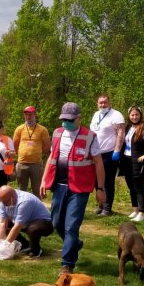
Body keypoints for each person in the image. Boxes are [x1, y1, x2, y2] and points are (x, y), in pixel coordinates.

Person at [40, 102, 106, 275]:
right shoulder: (57, 133)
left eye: (69, 120)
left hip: (79, 188)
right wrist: (43, 181)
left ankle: (67, 264)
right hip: (59, 185)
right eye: (63, 119)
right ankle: (75, 244)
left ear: (79, 119)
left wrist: (100, 189)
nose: (65, 123)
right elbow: (51, 158)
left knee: (71, 226)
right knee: (56, 223)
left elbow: (98, 162)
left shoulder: (90, 136)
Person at [117, 106, 144, 222]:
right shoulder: (128, 127)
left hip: (138, 162)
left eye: (137, 115)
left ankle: (141, 213)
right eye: (132, 115)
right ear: (129, 116)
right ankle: (135, 210)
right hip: (126, 160)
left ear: (140, 115)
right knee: (131, 186)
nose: (134, 117)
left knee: (138, 187)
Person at [89, 94, 125, 216]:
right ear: (97, 104)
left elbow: (121, 132)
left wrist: (117, 150)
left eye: (105, 102)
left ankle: (107, 208)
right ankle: (101, 204)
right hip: (95, 153)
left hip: (109, 153)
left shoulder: (116, 115)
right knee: (96, 181)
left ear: (109, 103)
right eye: (100, 103)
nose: (103, 105)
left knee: (108, 181)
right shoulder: (95, 115)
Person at [0, 185, 54, 258]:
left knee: (33, 228)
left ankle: (35, 250)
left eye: (5, 202)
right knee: (0, 220)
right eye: (1, 201)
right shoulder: (4, 200)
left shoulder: (24, 201)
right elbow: (2, 222)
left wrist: (5, 245)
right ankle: (24, 245)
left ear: (12, 196)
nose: (3, 204)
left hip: (45, 223)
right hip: (25, 222)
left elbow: (18, 226)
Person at [12, 106, 50, 197]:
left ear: (35, 115)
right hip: (22, 164)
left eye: (30, 114)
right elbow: (15, 145)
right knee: (21, 190)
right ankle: (21, 210)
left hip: (36, 164)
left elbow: (47, 147)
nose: (28, 117)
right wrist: (22, 153)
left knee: (37, 190)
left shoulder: (42, 130)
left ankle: (36, 210)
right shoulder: (19, 129)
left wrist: (37, 153)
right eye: (26, 115)